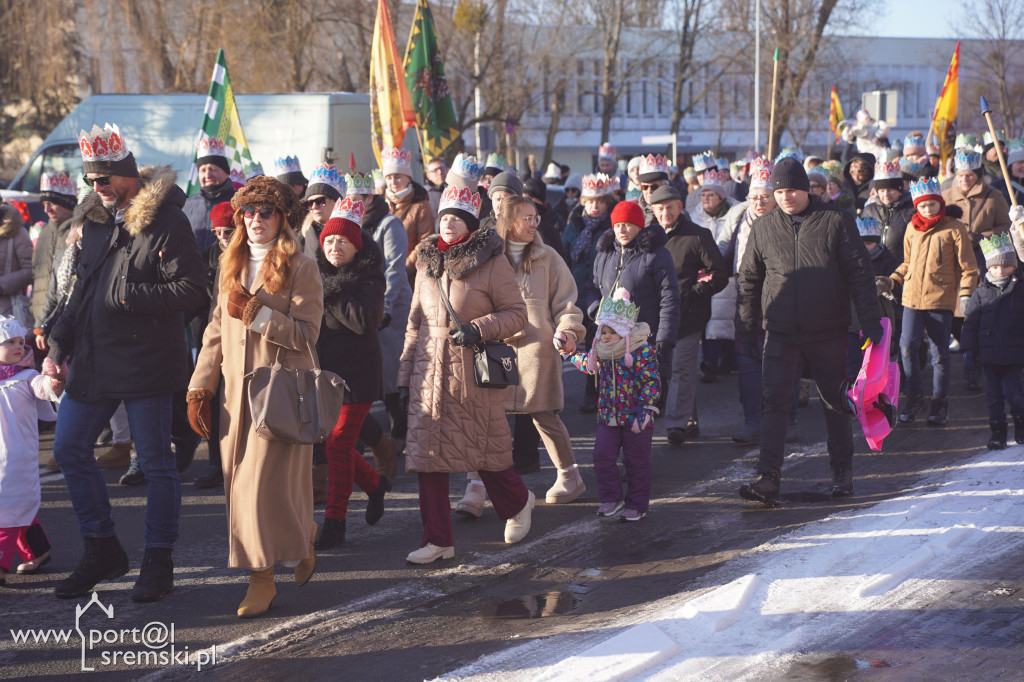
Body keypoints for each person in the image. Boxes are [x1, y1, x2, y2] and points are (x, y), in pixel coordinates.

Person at [46, 123, 207, 601]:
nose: (99, 189)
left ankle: (159, 559)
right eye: (92, 182)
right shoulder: (94, 222)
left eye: (107, 180)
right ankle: (102, 548)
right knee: (71, 449)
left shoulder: (168, 220)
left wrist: (130, 295)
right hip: (95, 359)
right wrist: (57, 345)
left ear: (130, 174)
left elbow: (193, 291)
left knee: (157, 463)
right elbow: (81, 293)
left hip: (148, 362)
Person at [188, 175, 322, 617]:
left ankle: (261, 577)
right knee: (242, 489)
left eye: (266, 212)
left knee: (261, 487)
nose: (256, 220)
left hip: (279, 393)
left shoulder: (302, 267)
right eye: (248, 212)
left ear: (283, 218)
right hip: (234, 397)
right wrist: (199, 385)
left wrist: (255, 313)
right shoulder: (231, 264)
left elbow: (306, 335)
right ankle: (302, 538)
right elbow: (214, 331)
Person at [397, 185, 532, 565]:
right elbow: (414, 323)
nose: (448, 223)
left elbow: (517, 314)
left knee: (485, 453)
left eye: (456, 217)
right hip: (428, 372)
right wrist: (404, 377)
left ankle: (519, 502)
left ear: (471, 224)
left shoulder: (492, 263)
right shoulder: (426, 263)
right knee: (428, 458)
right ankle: (438, 540)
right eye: (444, 216)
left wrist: (479, 328)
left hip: (471, 372)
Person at [736, 157, 881, 506]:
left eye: (793, 191)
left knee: (834, 404)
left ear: (806, 189)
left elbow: (859, 275)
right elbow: (749, 280)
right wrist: (745, 324)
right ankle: (767, 478)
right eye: (780, 191)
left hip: (828, 331)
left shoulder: (835, 221)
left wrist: (870, 321)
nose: (786, 198)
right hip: (781, 333)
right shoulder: (763, 227)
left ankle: (842, 474)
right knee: (775, 405)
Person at [484, 196, 587, 505]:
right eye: (526, 218)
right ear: (507, 220)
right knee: (489, 416)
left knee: (543, 414)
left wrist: (568, 330)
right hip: (497, 345)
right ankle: (477, 486)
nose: (533, 223)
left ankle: (570, 476)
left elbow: (567, 303)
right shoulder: (487, 256)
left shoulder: (548, 257)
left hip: (536, 348)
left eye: (535, 218)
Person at [313, 197, 391, 549]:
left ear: (356, 246)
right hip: (324, 374)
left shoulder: (369, 276)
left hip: (358, 375)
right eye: (329, 241)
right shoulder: (313, 272)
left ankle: (335, 521)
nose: (334, 247)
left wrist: (329, 294)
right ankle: (375, 486)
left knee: (339, 443)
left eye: (342, 241)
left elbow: (363, 321)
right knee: (335, 446)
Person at [880, 178, 979, 426]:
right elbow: (907, 263)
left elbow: (969, 268)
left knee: (939, 354)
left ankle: (939, 402)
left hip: (940, 299)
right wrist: (891, 281)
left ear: (940, 203)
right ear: (917, 206)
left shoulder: (954, 228)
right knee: (906, 347)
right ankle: (914, 397)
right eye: (923, 206)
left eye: (932, 205)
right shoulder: (912, 228)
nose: (927, 210)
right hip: (911, 298)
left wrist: (966, 295)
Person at [564, 288, 659, 521]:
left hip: (636, 416)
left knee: (636, 462)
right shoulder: (601, 354)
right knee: (602, 456)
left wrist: (645, 407)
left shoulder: (641, 352)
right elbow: (588, 364)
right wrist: (570, 353)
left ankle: (637, 505)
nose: (605, 337)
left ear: (624, 333)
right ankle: (611, 498)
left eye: (612, 332)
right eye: (603, 332)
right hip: (609, 416)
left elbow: (651, 381)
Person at [724, 158, 799, 443]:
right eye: (754, 197)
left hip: (781, 302)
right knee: (747, 363)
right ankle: (752, 420)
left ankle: (788, 419)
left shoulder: (789, 223)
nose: (758, 202)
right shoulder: (739, 220)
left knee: (784, 363)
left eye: (764, 197)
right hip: (746, 301)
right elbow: (723, 252)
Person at [650, 186, 728, 444]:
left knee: (681, 369)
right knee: (668, 370)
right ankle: (689, 419)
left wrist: (694, 291)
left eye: (670, 207)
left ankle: (675, 425)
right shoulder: (648, 237)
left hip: (689, 315)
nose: (665, 213)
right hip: (658, 317)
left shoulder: (698, 235)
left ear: (680, 207)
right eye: (660, 208)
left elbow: (719, 274)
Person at [586, 200, 678, 409]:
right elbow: (592, 286)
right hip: (611, 343)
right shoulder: (605, 254)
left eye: (627, 224)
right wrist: (594, 310)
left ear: (639, 225)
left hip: (644, 343)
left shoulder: (656, 254)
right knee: (614, 404)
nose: (622, 230)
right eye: (617, 225)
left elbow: (669, 299)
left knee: (644, 409)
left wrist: (664, 340)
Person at [345, 172, 409, 468]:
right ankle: (363, 433)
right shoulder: (352, 225)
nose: (352, 204)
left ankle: (400, 432)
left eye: (357, 199)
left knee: (393, 374)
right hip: (366, 306)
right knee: (370, 373)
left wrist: (385, 309)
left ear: (370, 198)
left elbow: (395, 268)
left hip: (390, 310)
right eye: (349, 200)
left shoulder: (389, 224)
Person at [0, 316, 61, 586]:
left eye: (20, 342)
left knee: (8, 507)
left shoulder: (27, 377)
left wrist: (53, 381)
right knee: (15, 506)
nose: (17, 346)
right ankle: (37, 551)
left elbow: (43, 388)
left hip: (17, 458)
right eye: (8, 342)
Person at [961, 233, 1023, 449]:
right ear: (988, 268)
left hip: (1015, 353)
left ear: (1013, 267)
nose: (1000, 271)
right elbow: (970, 324)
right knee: (994, 397)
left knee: (1014, 393)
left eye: (1005, 266)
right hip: (989, 355)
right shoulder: (980, 293)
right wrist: (968, 349)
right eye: (995, 267)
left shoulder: (1020, 290)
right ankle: (997, 434)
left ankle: (1021, 426)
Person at [563, 173, 616, 413]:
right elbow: (563, 256)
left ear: (607, 202)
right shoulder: (574, 224)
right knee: (571, 343)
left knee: (598, 345)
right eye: (590, 201)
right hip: (573, 292)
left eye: (600, 201)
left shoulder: (612, 227)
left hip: (600, 295)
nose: (594, 206)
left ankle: (594, 391)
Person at [689, 167, 741, 380]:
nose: (706, 199)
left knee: (727, 319)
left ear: (721, 196)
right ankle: (711, 363)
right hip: (704, 276)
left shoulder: (735, 214)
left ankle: (728, 361)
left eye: (710, 195)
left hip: (728, 276)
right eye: (703, 195)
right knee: (710, 321)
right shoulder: (695, 217)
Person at [847, 217, 900, 377]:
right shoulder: (850, 258)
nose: (865, 248)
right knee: (853, 358)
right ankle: (852, 391)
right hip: (853, 317)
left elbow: (895, 285)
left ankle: (877, 388)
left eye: (869, 244)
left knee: (877, 357)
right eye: (861, 244)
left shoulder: (888, 259)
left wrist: (883, 284)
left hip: (880, 313)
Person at [30, 172, 77, 329]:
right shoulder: (44, 232)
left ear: (67, 203)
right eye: (43, 204)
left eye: (51, 203)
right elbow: (36, 275)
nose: (46, 210)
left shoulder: (79, 232)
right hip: (38, 322)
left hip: (65, 322)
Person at [382, 147, 434, 281]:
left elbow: (425, 241)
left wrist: (403, 268)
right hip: (381, 273)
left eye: (398, 177)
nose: (393, 182)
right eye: (389, 178)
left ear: (408, 178)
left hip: (409, 276)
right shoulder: (380, 203)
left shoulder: (421, 205)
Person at [182, 136, 236, 253]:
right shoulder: (187, 204)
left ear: (226, 172)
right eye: (202, 170)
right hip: (193, 269)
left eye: (213, 169)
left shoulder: (238, 202)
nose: (207, 175)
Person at [861, 159, 914, 263]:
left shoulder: (911, 210)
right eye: (882, 191)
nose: (885, 195)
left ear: (899, 190)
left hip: (902, 267)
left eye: (890, 190)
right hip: (875, 267)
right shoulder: (869, 210)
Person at [299, 163, 346, 257]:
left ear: (336, 202)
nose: (314, 206)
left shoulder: (353, 235)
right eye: (309, 203)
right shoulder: (299, 241)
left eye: (320, 201)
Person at [637, 155, 670, 227]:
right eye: (644, 187)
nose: (649, 191)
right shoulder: (634, 212)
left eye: (654, 187)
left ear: (666, 186)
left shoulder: (675, 212)